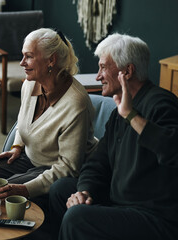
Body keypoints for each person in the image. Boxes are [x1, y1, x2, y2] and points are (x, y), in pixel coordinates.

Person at [49, 33, 178, 240]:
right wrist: (85, 191)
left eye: (102, 67)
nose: (98, 76)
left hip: (153, 216)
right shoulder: (119, 112)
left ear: (126, 71)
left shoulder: (162, 104)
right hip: (118, 200)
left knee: (77, 218)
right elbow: (97, 162)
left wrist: (130, 115)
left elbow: (172, 150)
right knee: (61, 190)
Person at [0, 28, 98, 210]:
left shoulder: (76, 103)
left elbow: (68, 167)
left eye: (29, 56)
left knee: (3, 190)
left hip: (56, 169)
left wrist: (25, 189)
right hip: (31, 157)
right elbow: (23, 120)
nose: (21, 63)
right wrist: (17, 146)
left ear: (51, 60)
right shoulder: (30, 83)